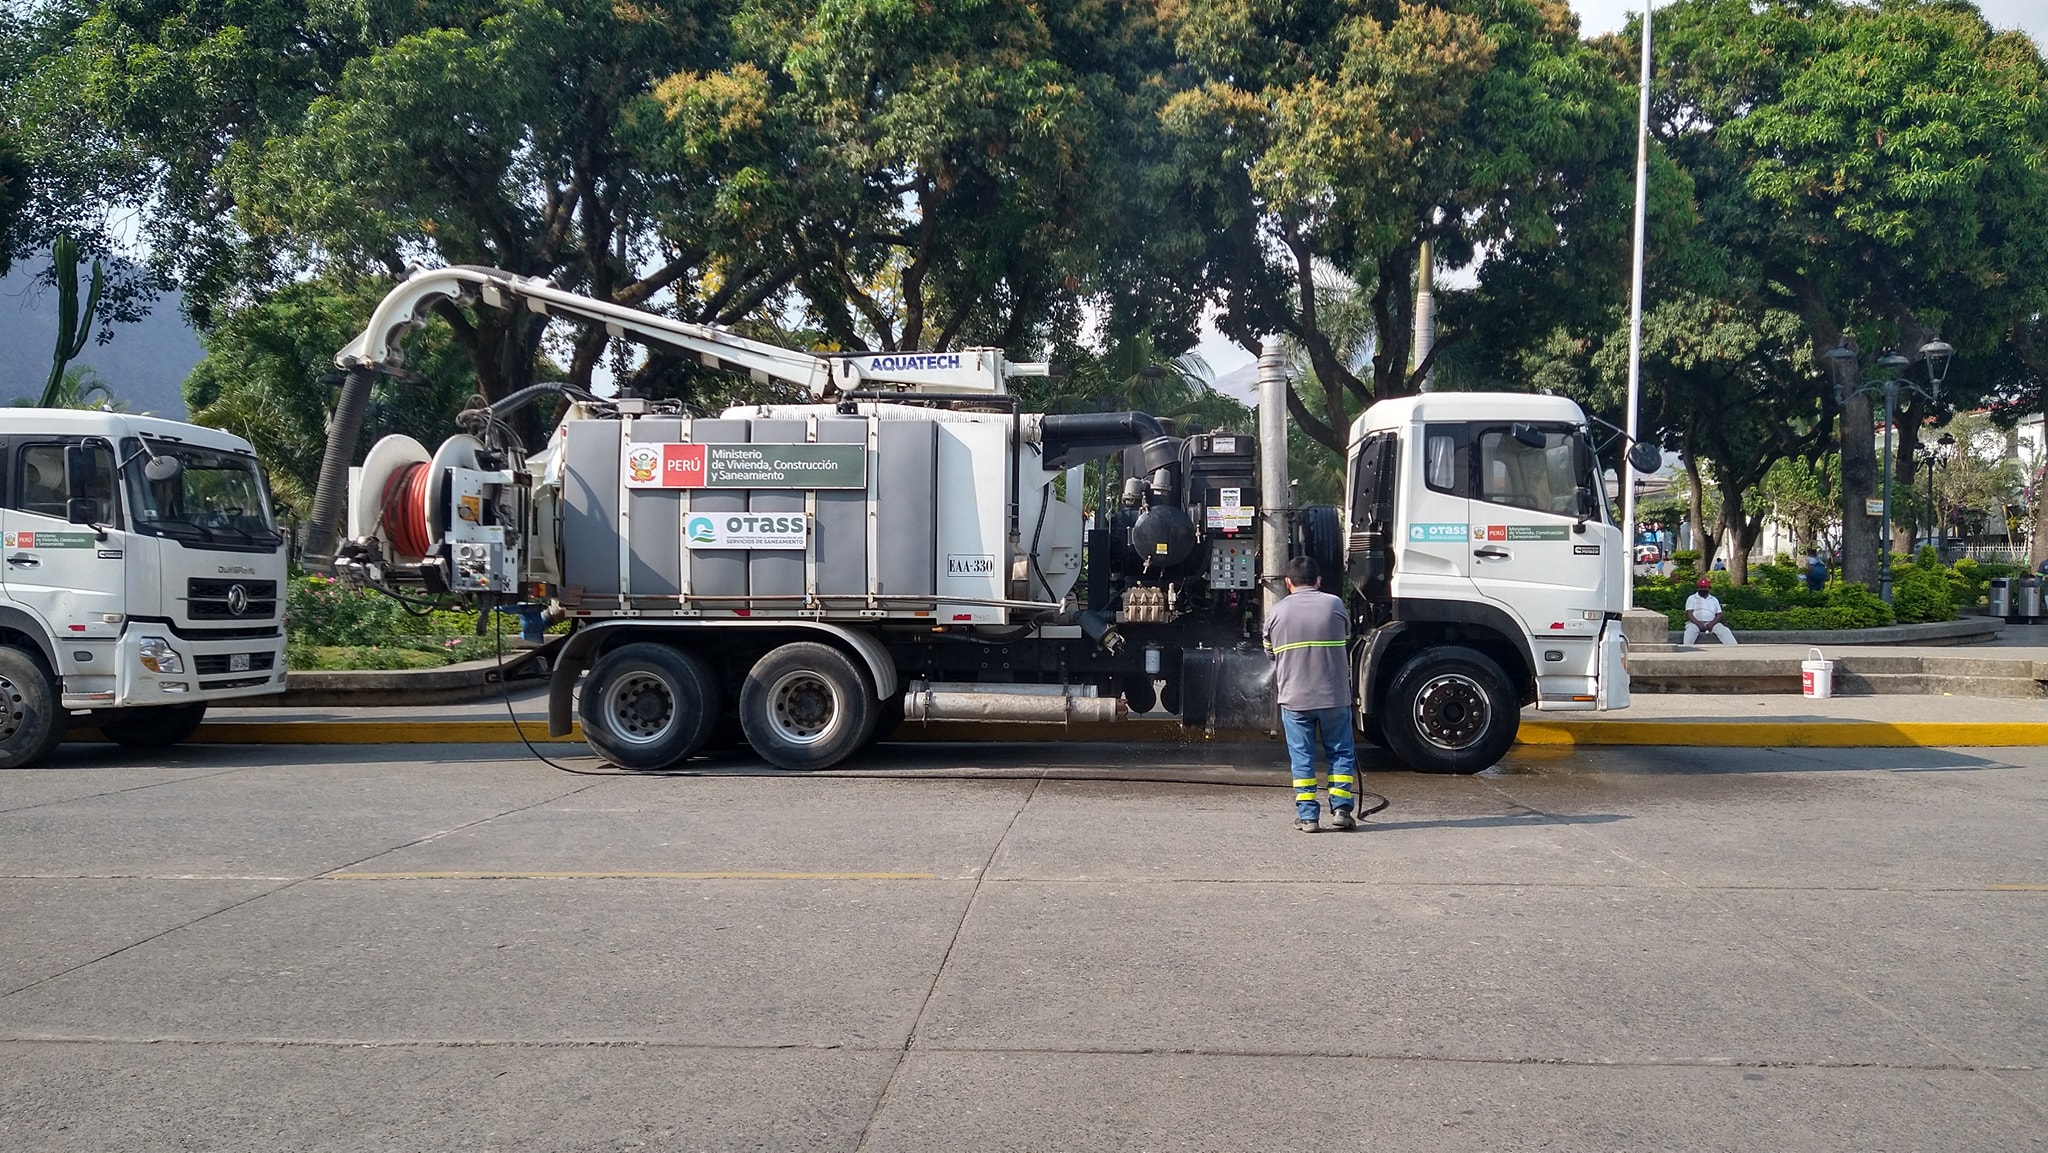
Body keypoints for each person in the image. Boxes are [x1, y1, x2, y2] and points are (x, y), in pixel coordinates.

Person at [1263, 555, 1357, 832]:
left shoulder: (1277, 612)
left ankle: (1308, 817)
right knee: (1340, 752)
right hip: (1334, 697)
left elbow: (1269, 651)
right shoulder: (1335, 605)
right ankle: (1341, 810)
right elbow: (1346, 638)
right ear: (1318, 581)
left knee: (1302, 757)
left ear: (1288, 583)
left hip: (1295, 699)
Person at [1684, 577, 1737, 645]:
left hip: (1712, 623)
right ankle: (1687, 648)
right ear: (1698, 588)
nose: (1703, 589)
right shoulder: (1691, 598)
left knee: (1725, 631)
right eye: (1701, 588)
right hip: (1695, 623)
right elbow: (1689, 614)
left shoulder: (1714, 599)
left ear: (1709, 588)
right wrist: (1699, 624)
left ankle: (1734, 648)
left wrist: (1711, 624)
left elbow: (1719, 614)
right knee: (1689, 632)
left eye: (1705, 588)